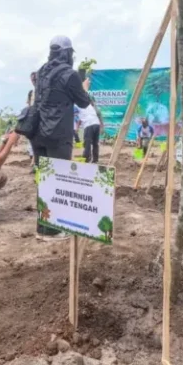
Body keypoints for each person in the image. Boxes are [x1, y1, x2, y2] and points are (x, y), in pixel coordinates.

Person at [32, 35, 91, 240]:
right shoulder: (69, 74)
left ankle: (43, 227)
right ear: (67, 53)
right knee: (58, 180)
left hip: (38, 133)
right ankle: (53, 229)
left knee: (44, 179)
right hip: (58, 134)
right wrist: (84, 88)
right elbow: (84, 103)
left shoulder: (41, 71)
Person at [77, 99, 104, 164]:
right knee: (95, 143)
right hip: (96, 124)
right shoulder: (91, 106)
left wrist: (77, 128)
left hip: (89, 125)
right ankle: (95, 160)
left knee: (87, 143)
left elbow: (79, 120)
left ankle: (86, 159)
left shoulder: (80, 106)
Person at [26, 72, 37, 166]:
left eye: (34, 79)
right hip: (32, 118)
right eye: (32, 79)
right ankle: (33, 160)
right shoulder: (31, 93)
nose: (33, 81)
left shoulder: (43, 91)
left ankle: (34, 161)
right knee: (32, 140)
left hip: (40, 119)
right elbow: (28, 106)